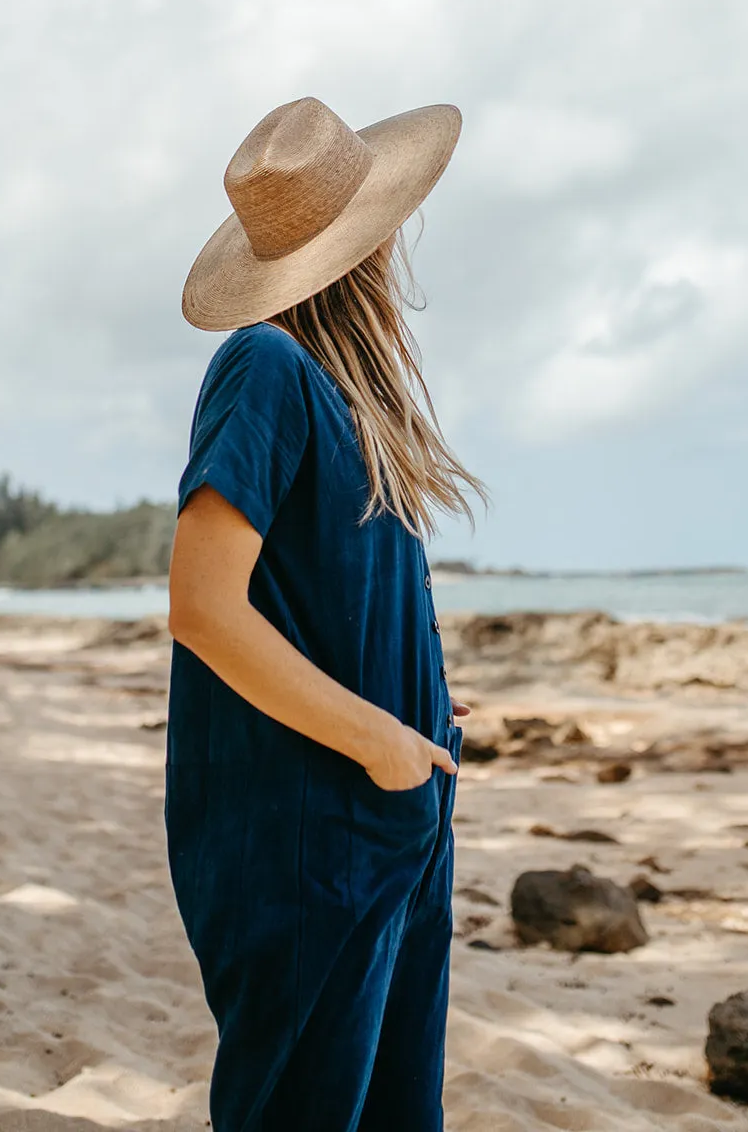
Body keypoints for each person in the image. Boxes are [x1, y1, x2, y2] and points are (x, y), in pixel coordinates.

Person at [165, 95, 489, 1132]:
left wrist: (411, 697)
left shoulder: (344, 395)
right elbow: (202, 609)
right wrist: (378, 737)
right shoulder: (263, 366)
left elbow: (325, 595)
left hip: (390, 817)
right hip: (311, 830)